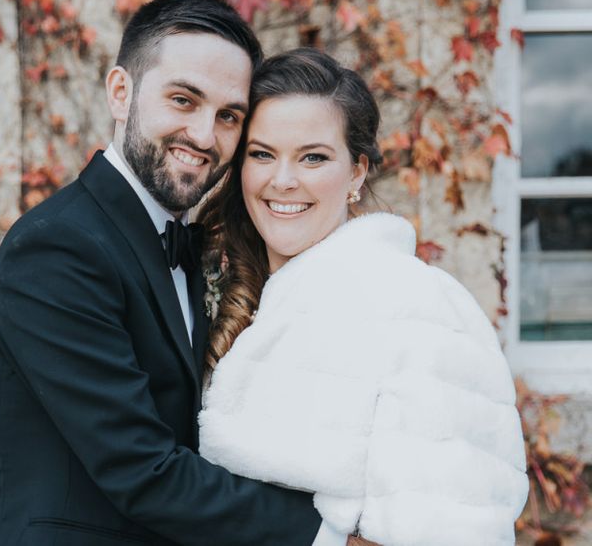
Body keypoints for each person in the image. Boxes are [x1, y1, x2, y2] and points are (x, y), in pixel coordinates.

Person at [0, 0, 354, 545]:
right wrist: (329, 536)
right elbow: (142, 470)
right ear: (121, 93)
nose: (203, 137)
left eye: (228, 116)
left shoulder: (190, 248)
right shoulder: (57, 249)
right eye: (183, 100)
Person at [197, 48, 529, 546]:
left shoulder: (418, 306)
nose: (282, 180)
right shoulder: (233, 298)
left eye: (313, 157)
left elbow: (457, 525)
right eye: (262, 154)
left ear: (357, 172)